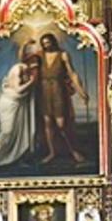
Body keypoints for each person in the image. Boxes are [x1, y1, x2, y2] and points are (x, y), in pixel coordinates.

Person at [36, 32, 89, 165]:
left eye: (48, 42)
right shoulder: (40, 56)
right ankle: (52, 152)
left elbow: (72, 74)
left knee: (61, 124)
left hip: (58, 91)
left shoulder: (63, 55)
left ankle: (73, 151)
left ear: (53, 42)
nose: (46, 45)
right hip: (43, 92)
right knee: (48, 123)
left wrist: (81, 91)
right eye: (44, 43)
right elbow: (25, 60)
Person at [0, 42, 39, 170]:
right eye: (33, 62)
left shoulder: (26, 70)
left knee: (21, 133)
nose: (35, 67)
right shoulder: (18, 69)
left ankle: (16, 158)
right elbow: (18, 90)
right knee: (8, 131)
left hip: (19, 104)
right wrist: (31, 82)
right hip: (10, 103)